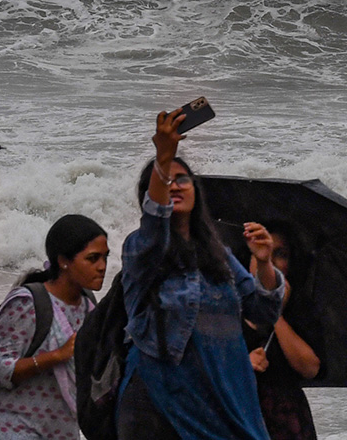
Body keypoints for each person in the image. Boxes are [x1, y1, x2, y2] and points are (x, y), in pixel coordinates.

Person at [117, 109, 286, 440]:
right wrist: (163, 157)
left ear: (196, 191)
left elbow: (263, 312)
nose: (175, 184)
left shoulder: (218, 256)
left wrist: (265, 264)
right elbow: (155, 220)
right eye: (167, 179)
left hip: (221, 393)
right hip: (161, 398)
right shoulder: (141, 249)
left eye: (183, 179)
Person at [0, 214, 109, 439]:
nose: (102, 267)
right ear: (63, 261)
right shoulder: (27, 303)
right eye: (92, 258)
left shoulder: (89, 309)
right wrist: (57, 355)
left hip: (60, 432)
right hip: (13, 429)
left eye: (105, 258)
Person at [244, 223, 321, 440]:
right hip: (240, 417)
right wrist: (243, 365)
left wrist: (276, 313)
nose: (270, 260)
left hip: (287, 422)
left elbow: (310, 368)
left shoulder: (301, 310)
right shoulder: (226, 304)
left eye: (281, 254)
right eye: (260, 250)